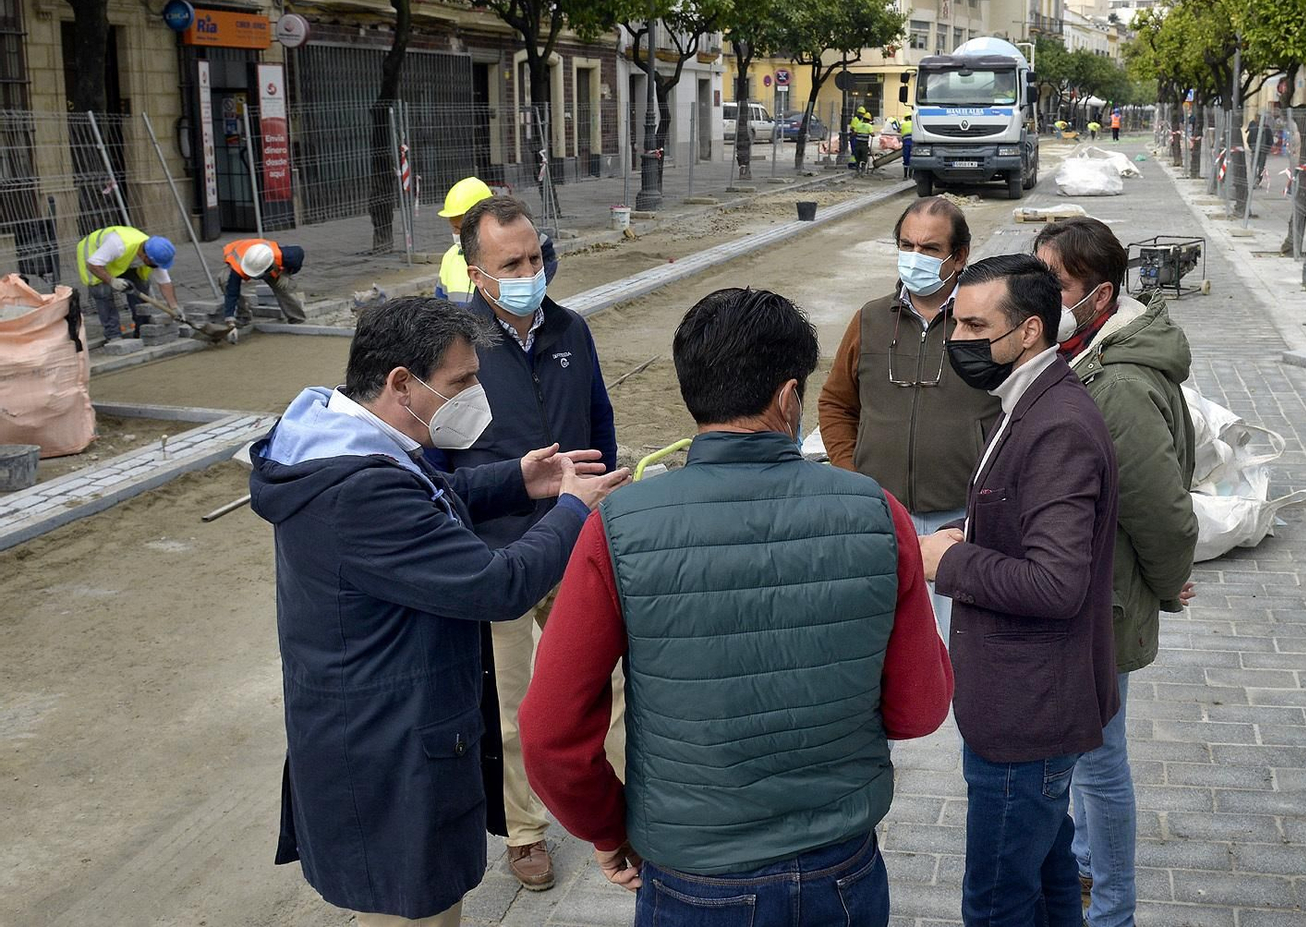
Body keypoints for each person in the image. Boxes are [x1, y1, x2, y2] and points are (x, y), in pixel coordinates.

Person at [522, 287, 953, 927]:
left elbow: (550, 731)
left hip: (691, 873)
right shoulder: (875, 513)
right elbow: (920, 708)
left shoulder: (620, 526)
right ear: (788, 397)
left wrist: (609, 829)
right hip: (841, 864)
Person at [250, 297, 630, 927]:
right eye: (462, 381)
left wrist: (517, 479)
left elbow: (430, 499)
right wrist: (571, 510)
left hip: (378, 727)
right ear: (402, 383)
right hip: (387, 753)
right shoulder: (358, 489)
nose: (476, 394)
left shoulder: (345, 443)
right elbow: (495, 582)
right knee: (413, 912)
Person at [919, 254, 1118, 927]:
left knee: (996, 900)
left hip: (1025, 714)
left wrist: (947, 562)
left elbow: (1057, 581)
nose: (959, 340)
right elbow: (1015, 517)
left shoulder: (1056, 423)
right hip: (1025, 706)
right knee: (1049, 874)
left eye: (977, 325)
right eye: (956, 323)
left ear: (1029, 329)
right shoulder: (1026, 399)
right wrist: (961, 532)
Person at [443, 194, 617, 892]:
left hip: (577, 542)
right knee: (513, 707)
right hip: (501, 555)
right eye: (509, 263)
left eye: (534, 257)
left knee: (604, 687)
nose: (527, 271)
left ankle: (619, 813)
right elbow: (442, 462)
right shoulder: (457, 346)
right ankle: (524, 832)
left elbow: (600, 422)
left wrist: (602, 501)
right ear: (476, 271)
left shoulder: (572, 329)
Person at [1034, 219, 1198, 927]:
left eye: (1057, 286)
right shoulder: (1081, 352)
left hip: (1106, 600)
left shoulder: (1118, 381)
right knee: (1085, 752)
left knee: (1099, 759)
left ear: (1100, 294)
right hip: (1083, 589)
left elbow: (1157, 506)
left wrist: (1168, 581)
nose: (1042, 298)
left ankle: (1113, 911)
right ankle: (1087, 870)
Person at [819, 196, 999, 641]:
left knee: (957, 645)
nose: (914, 258)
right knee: (884, 640)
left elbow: (1015, 410)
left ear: (959, 257)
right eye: (906, 245)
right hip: (881, 517)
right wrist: (852, 477)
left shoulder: (984, 323)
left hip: (961, 522)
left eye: (930, 249)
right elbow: (836, 403)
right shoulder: (871, 319)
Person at [76, 225, 183, 342]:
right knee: (103, 292)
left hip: (120, 261)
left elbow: (164, 282)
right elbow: (93, 264)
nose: (157, 267)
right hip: (93, 256)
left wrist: (174, 307)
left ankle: (143, 331)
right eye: (155, 264)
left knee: (141, 287)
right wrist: (112, 281)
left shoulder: (155, 251)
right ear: (145, 257)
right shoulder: (118, 244)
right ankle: (113, 336)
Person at [219, 238, 307, 326]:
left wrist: (287, 273)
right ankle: (242, 315)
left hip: (267, 262)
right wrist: (229, 318)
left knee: (285, 287)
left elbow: (299, 254)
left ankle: (297, 319)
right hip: (241, 261)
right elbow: (232, 292)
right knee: (225, 280)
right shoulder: (237, 267)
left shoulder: (284, 255)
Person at [437, 176, 493, 303]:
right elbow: (440, 306)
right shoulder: (450, 257)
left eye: (461, 228)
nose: (456, 234)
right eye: (454, 227)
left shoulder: (501, 256)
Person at [851, 107, 875, 173]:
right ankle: (863, 170)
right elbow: (872, 134)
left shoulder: (858, 125)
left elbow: (854, 133)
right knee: (864, 157)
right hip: (864, 144)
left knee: (858, 156)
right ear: (869, 120)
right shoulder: (869, 126)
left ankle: (857, 169)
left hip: (858, 143)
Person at [897, 110, 914, 179]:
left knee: (906, 158)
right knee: (911, 157)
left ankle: (905, 175)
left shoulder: (903, 124)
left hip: (906, 142)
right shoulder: (914, 123)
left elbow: (899, 130)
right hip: (913, 142)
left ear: (906, 118)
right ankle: (910, 175)